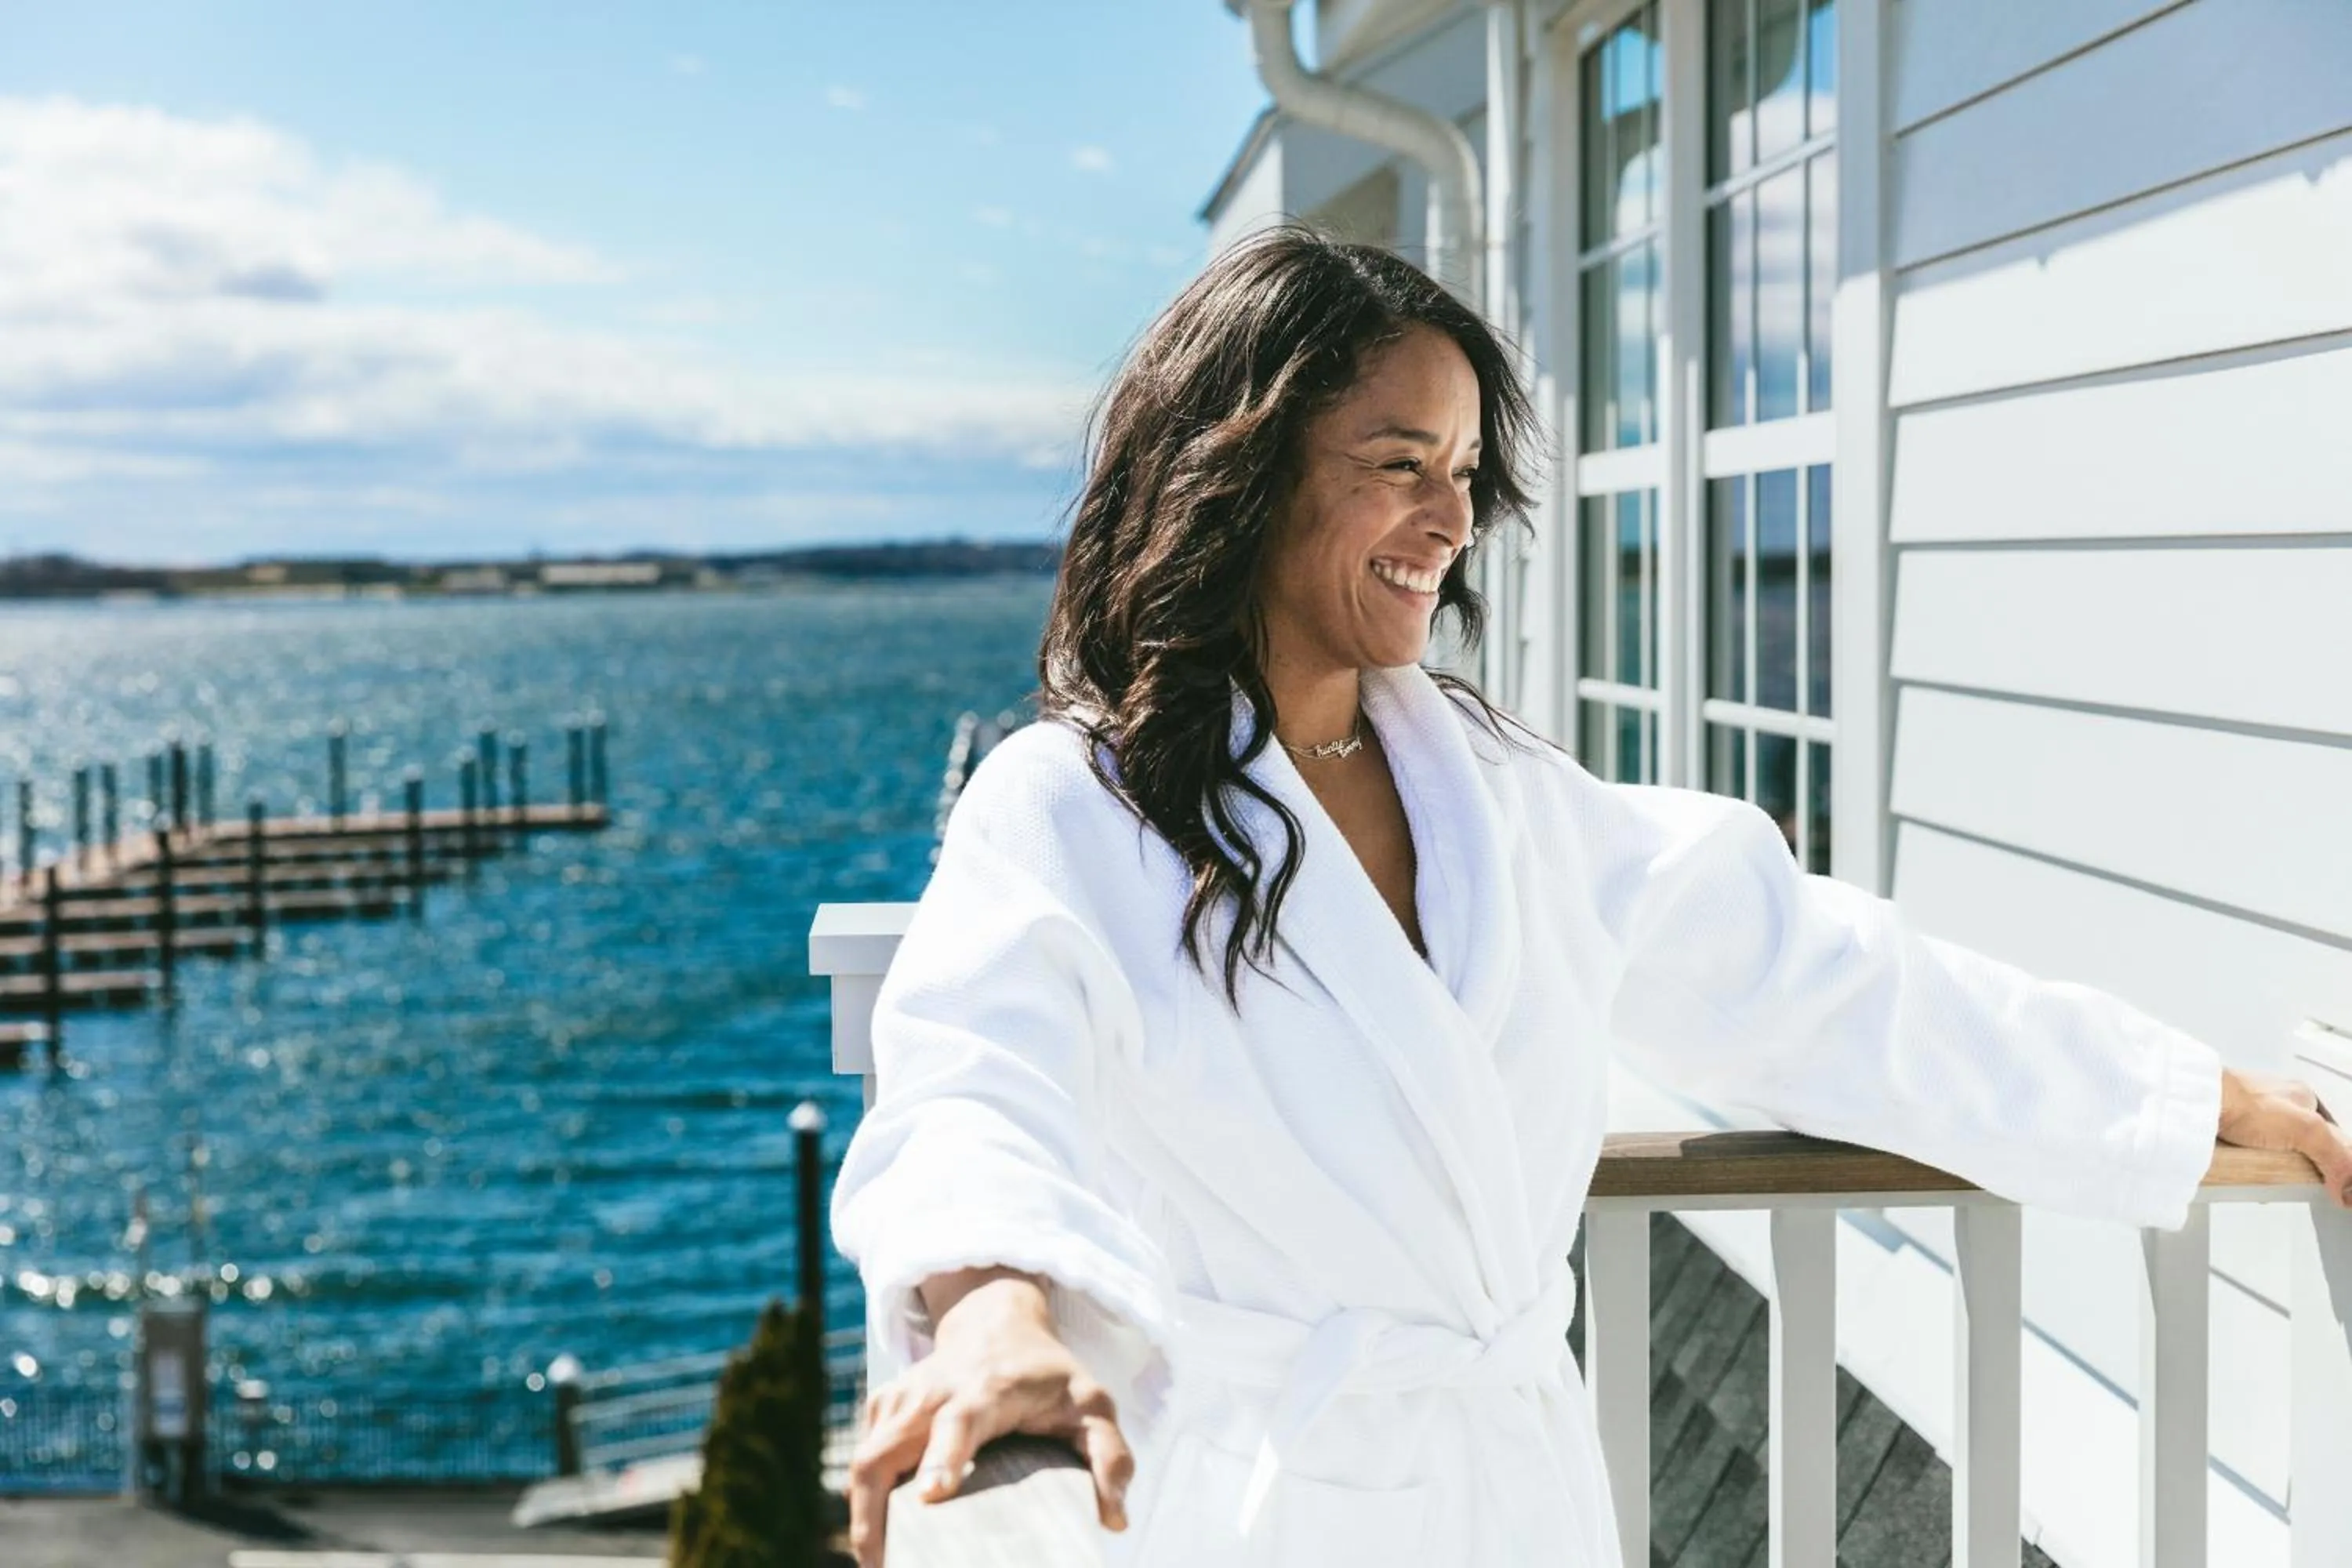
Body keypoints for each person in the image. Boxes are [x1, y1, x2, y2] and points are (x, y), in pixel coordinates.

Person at [827, 223, 2352, 1567]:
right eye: (1399, 465)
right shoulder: (1075, 804)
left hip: (1512, 1496)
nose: (1452, 517)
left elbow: (1834, 988)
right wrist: (996, 1312)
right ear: (1246, 466)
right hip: (1256, 1510)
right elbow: (974, 1081)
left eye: (1467, 474)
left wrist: (2188, 1097)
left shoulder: (1502, 799)